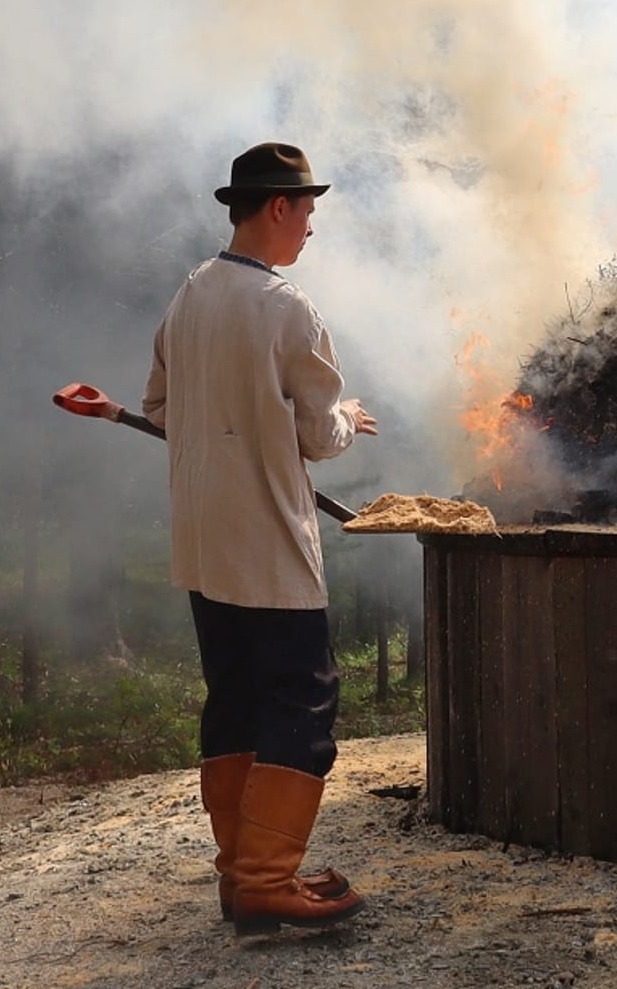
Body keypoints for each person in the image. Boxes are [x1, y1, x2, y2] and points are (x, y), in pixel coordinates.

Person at [142, 142, 379, 936]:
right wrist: (351, 419)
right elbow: (319, 437)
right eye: (307, 211)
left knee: (235, 699)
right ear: (277, 208)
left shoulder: (190, 293)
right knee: (304, 707)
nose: (310, 227)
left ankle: (241, 873)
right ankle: (268, 882)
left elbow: (161, 407)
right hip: (269, 545)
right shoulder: (287, 308)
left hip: (204, 544)